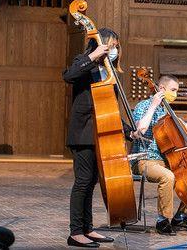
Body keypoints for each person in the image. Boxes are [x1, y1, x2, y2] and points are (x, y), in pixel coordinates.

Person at [63, 28, 132, 248]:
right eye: (111, 45)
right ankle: (75, 233)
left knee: (92, 182)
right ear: (99, 45)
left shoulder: (109, 73)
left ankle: (88, 228)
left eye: (116, 46)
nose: (114, 50)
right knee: (82, 182)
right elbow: (68, 75)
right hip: (83, 133)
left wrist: (129, 131)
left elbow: (109, 110)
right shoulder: (84, 62)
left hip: (101, 134)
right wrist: (93, 56)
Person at [131, 75, 187, 236]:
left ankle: (181, 216)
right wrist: (153, 106)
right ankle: (162, 220)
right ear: (161, 89)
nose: (175, 94)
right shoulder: (144, 105)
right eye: (173, 90)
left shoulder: (166, 110)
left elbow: (183, 126)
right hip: (145, 159)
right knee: (168, 177)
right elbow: (140, 129)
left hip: (165, 159)